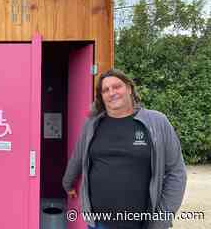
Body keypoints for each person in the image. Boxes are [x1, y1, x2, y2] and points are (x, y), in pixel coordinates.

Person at [62, 69, 187, 229]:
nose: (111, 92)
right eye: (105, 90)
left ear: (129, 88)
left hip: (142, 224)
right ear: (101, 97)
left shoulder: (157, 122)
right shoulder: (92, 124)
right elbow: (78, 157)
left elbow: (176, 172)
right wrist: (68, 183)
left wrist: (161, 220)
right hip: (99, 223)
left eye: (117, 86)